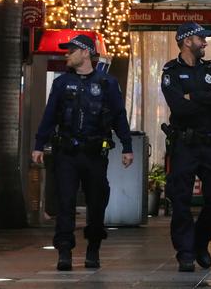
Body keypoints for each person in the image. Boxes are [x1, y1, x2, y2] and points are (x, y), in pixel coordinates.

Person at [31, 34, 134, 271]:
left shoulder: (107, 83)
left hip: (95, 153)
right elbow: (49, 116)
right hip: (66, 152)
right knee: (65, 202)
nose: (67, 54)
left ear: (86, 53)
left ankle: (93, 248)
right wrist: (39, 144)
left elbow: (119, 116)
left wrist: (127, 147)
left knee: (97, 202)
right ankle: (64, 252)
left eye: (71, 51)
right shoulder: (61, 83)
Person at [160, 22, 211, 272]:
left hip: (210, 144)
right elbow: (178, 107)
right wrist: (205, 98)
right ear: (187, 40)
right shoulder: (171, 71)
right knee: (180, 198)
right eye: (201, 38)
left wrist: (195, 96)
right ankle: (186, 252)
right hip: (184, 144)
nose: (205, 42)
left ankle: (200, 242)